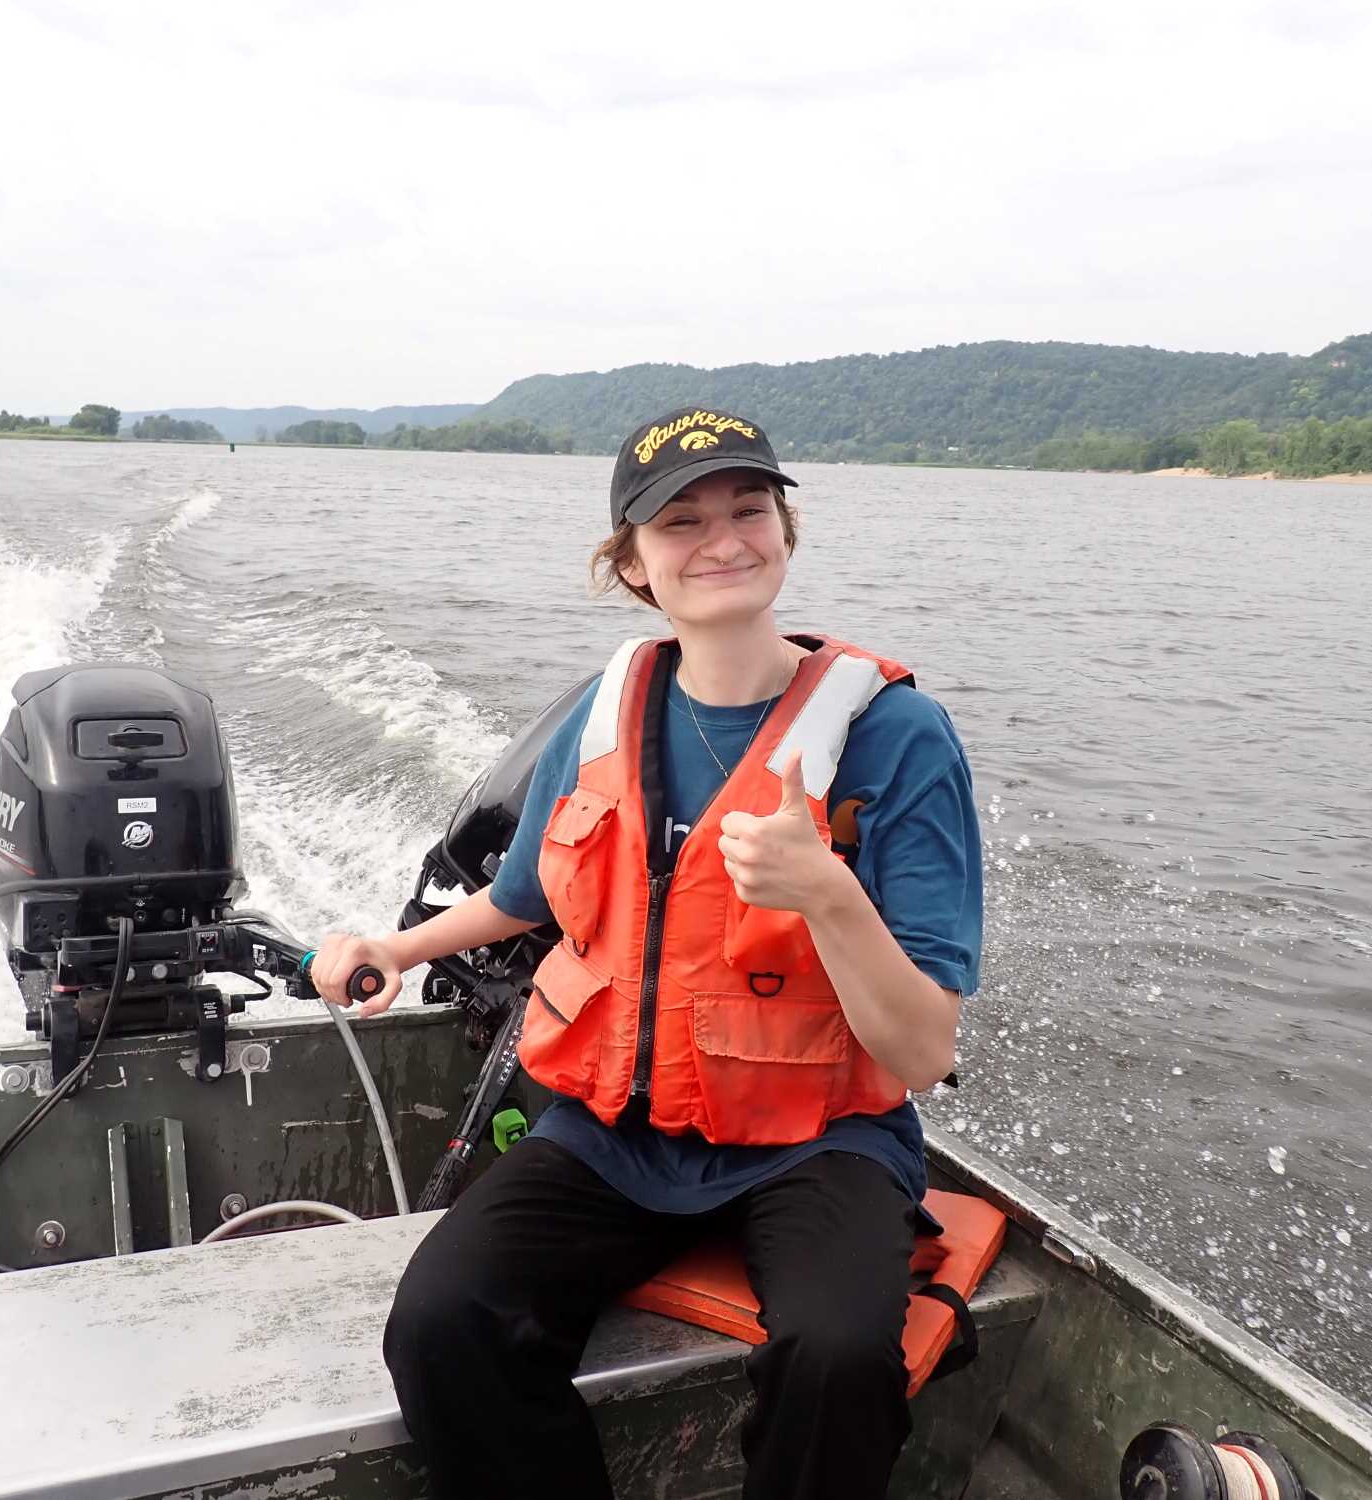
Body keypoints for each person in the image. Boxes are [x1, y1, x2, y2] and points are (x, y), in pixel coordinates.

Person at [310, 405, 983, 1500]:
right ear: (630, 564)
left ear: (784, 531)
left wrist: (826, 895)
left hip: (815, 1141)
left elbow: (920, 1049)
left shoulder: (895, 737)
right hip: (612, 1138)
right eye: (679, 522)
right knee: (442, 1324)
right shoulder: (604, 712)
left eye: (746, 509)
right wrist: (391, 945)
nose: (721, 540)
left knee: (840, 1357)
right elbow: (525, 893)